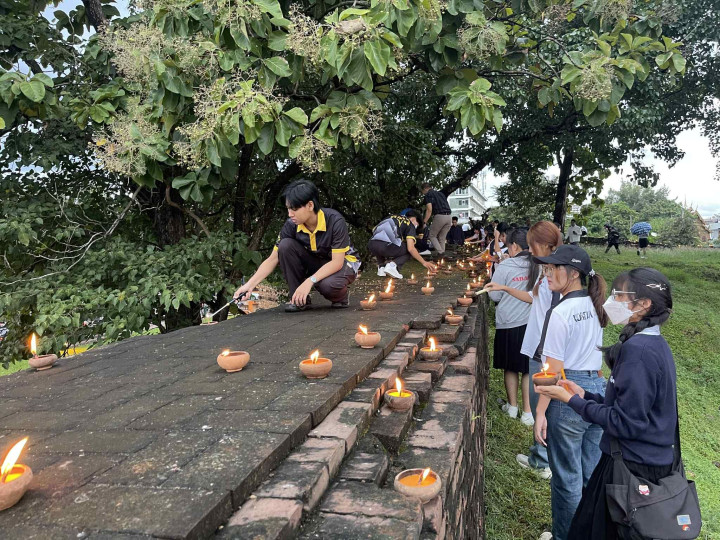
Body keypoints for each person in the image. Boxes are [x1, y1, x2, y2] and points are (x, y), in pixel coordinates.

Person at [536, 269, 676, 540]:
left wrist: (571, 401)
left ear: (644, 304)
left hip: (633, 466)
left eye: (620, 295)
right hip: (634, 459)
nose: (612, 300)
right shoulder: (652, 344)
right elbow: (627, 407)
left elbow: (626, 423)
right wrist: (585, 396)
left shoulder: (639, 352)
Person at [531, 245, 609, 540]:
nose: (547, 274)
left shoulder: (561, 311)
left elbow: (552, 372)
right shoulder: (595, 304)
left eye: (554, 269)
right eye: (546, 269)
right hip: (596, 391)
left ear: (573, 273)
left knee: (566, 479)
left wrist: (540, 412)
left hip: (568, 393)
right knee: (590, 474)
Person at [233, 179, 360, 312]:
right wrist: (249, 285)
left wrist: (309, 281)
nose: (290, 214)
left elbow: (337, 263)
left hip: (344, 263)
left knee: (328, 285)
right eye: (288, 208)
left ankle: (341, 298)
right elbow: (272, 259)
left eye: (294, 209)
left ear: (310, 205)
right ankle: (299, 300)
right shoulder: (291, 225)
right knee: (285, 246)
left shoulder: (335, 221)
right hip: (318, 262)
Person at [511, 221, 563, 480]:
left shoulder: (558, 273)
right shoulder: (546, 269)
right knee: (538, 403)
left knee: (543, 405)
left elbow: (555, 315)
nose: (530, 250)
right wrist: (505, 289)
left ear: (545, 245)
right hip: (539, 348)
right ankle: (541, 455)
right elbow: (536, 299)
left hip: (545, 352)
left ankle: (543, 462)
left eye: (532, 245)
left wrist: (547, 353)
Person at [485, 228, 539, 425]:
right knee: (527, 368)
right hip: (531, 325)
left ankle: (512, 407)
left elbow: (494, 295)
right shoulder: (539, 265)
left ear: (514, 246)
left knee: (510, 367)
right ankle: (527, 413)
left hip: (508, 323)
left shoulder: (506, 265)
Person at [368, 211, 436, 279]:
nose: (415, 228)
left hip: (371, 244)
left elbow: (375, 230)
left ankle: (381, 267)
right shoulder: (410, 224)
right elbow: (411, 248)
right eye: (417, 225)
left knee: (380, 241)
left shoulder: (390, 217)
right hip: (386, 245)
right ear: (414, 219)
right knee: (411, 250)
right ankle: (392, 266)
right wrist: (424, 262)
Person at [421, 182, 452, 257]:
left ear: (425, 189)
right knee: (442, 237)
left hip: (439, 216)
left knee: (432, 235)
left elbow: (429, 210)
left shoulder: (428, 195)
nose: (422, 193)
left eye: (422, 191)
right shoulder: (441, 194)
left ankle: (440, 253)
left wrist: (424, 222)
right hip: (449, 217)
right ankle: (442, 255)